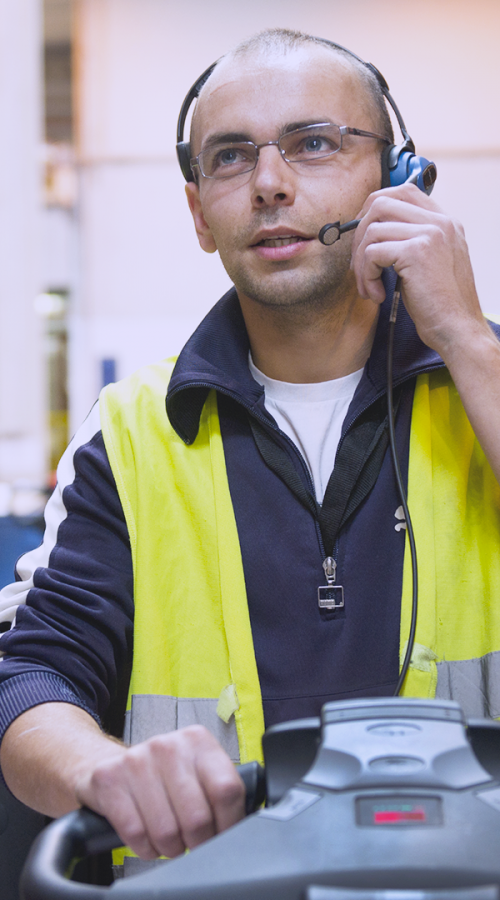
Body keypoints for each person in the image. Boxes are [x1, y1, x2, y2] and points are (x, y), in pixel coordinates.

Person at [1, 27, 500, 872]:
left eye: (314, 144)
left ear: (398, 178)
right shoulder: (130, 430)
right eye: (231, 158)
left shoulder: (480, 382)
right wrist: (105, 772)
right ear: (200, 214)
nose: (269, 185)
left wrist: (463, 335)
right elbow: (31, 679)